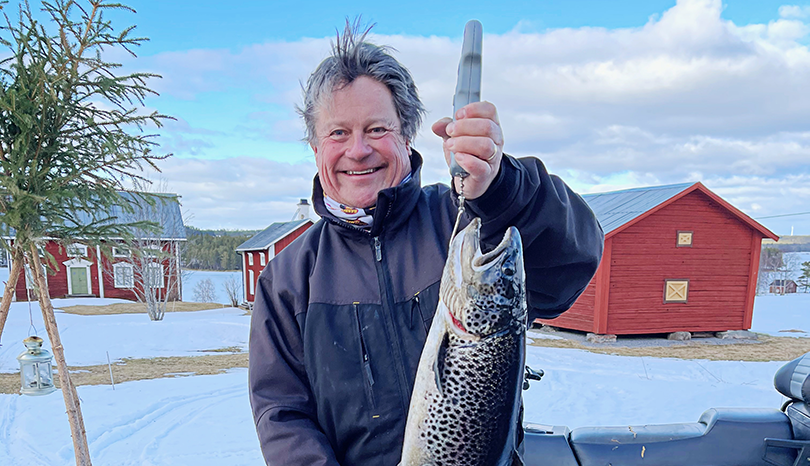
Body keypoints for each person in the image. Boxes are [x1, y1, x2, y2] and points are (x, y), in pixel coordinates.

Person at [249, 24, 604, 466]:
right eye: (338, 133)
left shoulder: (462, 220)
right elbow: (281, 414)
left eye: (377, 128)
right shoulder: (288, 279)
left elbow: (574, 259)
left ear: (407, 135)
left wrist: (499, 186)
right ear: (315, 147)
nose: (357, 150)